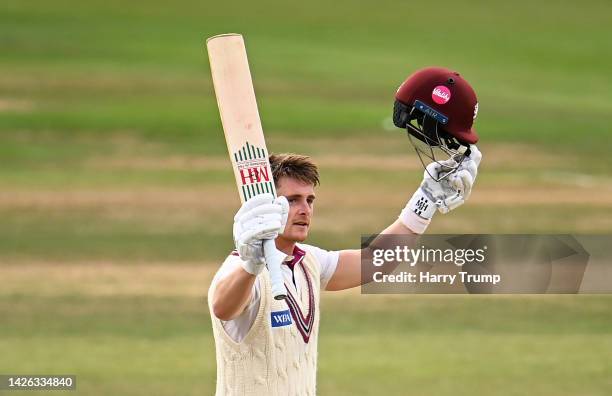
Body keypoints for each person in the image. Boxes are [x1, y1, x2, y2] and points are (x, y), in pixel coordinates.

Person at [207, 66, 483, 395]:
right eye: (292, 200)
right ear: (266, 203)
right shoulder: (241, 269)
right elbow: (223, 306)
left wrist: (425, 200)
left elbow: (379, 261)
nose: (305, 209)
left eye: (310, 199)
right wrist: (251, 265)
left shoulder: (307, 262)